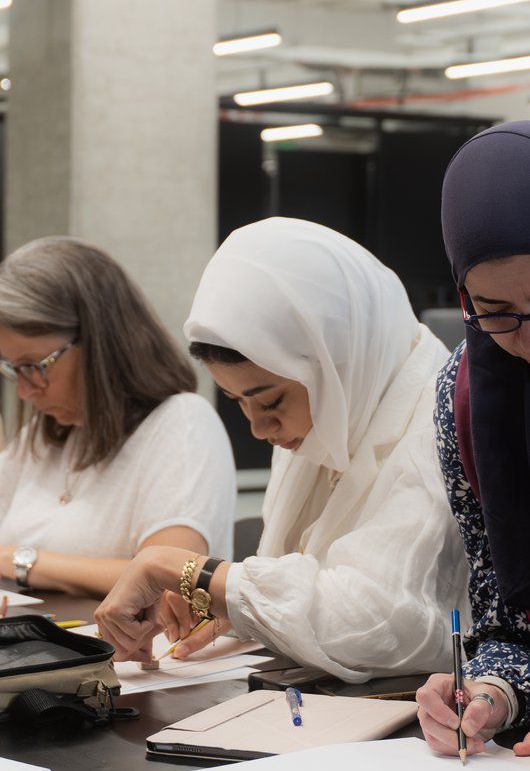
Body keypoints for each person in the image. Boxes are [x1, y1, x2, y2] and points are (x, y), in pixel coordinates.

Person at [95, 216, 469, 680]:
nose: (259, 427)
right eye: (238, 402)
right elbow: (303, 581)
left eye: (270, 400)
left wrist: (195, 574)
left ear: (337, 360)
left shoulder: (444, 415)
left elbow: (384, 623)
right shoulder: (333, 408)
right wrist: (235, 605)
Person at [0, 236, 236, 597]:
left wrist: (19, 561)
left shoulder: (183, 424)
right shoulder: (44, 432)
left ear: (99, 344)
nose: (25, 391)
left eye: (35, 366)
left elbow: (167, 578)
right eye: (14, 369)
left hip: (125, 653)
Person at [416, 120, 530, 758]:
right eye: (494, 310)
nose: (527, 338)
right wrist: (496, 690)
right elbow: (508, 623)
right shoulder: (466, 396)